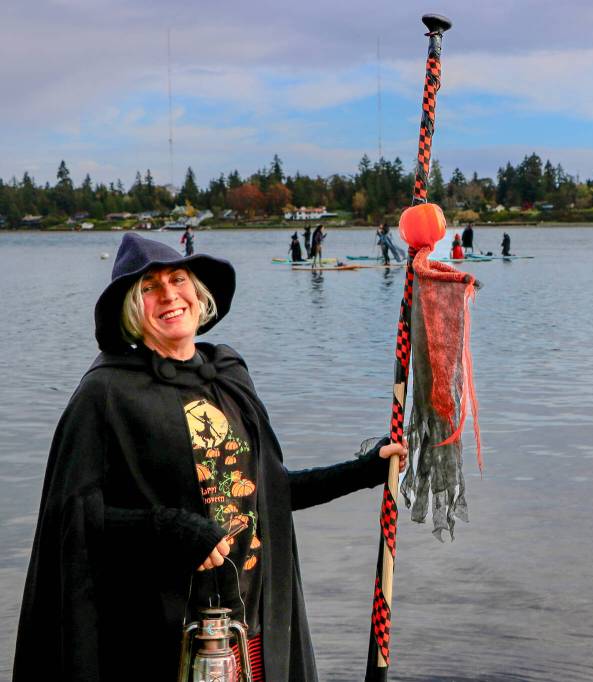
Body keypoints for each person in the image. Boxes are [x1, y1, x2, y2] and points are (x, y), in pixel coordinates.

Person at [14, 233, 407, 681]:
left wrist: (365, 471)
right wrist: (169, 529)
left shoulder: (228, 375)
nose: (168, 295)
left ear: (197, 292)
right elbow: (74, 520)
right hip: (159, 639)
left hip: (253, 625)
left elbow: (266, 493)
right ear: (130, 310)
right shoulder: (105, 393)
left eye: (177, 279)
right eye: (148, 288)